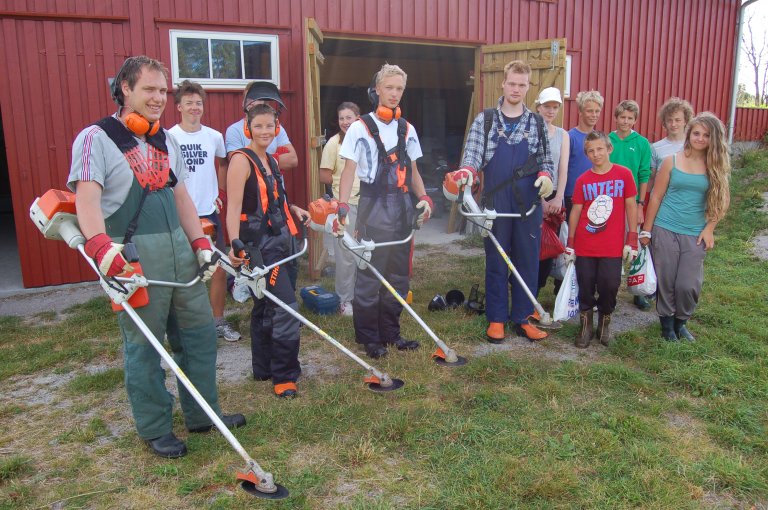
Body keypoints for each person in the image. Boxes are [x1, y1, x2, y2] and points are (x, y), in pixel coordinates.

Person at [67, 56, 244, 458]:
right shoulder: (96, 138)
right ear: (125, 89)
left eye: (163, 91)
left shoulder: (165, 139)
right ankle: (154, 427)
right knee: (145, 346)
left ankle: (203, 414)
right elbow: (87, 199)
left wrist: (199, 243)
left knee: (199, 335)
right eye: (149, 89)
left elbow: (180, 195)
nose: (158, 99)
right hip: (134, 256)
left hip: (180, 252)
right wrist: (101, 250)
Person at [450, 60, 554, 343]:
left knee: (527, 260)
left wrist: (547, 176)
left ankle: (522, 317)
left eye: (522, 85)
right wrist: (467, 173)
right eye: (512, 83)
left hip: (528, 204)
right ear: (503, 84)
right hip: (495, 203)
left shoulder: (536, 123)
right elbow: (471, 158)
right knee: (497, 259)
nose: (516, 89)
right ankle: (496, 318)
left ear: (528, 87)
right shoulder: (485, 121)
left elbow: (546, 159)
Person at [335, 64, 432, 359]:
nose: (394, 94)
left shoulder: (407, 129)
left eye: (399, 89)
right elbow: (349, 170)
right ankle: (369, 339)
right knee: (369, 276)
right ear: (377, 89)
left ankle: (391, 333)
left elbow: (413, 170)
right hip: (372, 207)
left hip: (402, 208)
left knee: (398, 276)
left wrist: (424, 196)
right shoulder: (359, 127)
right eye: (389, 88)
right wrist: (341, 205)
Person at [226, 103, 310, 397]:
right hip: (258, 249)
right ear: (248, 128)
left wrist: (295, 208)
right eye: (258, 125)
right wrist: (235, 245)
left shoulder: (271, 161)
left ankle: (264, 368)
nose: (265, 131)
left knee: (266, 305)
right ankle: (285, 375)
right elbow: (234, 208)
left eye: (270, 126)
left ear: (277, 129)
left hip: (283, 242)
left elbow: (276, 201)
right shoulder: (241, 161)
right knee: (285, 308)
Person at [640, 112, 730, 342]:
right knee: (667, 280)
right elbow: (657, 197)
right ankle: (667, 325)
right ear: (689, 134)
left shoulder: (715, 165)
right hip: (665, 227)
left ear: (714, 139)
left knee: (688, 285)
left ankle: (681, 322)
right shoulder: (672, 160)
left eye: (706, 135)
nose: (700, 138)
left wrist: (710, 228)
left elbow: (721, 200)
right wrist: (647, 231)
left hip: (695, 233)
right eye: (696, 133)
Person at [168, 80, 240, 342]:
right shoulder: (169, 137)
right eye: (189, 103)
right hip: (182, 214)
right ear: (178, 107)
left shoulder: (214, 136)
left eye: (198, 103)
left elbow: (221, 164)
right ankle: (186, 326)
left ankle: (217, 321)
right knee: (185, 271)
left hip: (209, 212)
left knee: (219, 268)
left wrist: (218, 193)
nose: (194, 107)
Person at [564, 131, 638, 348]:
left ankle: (604, 323)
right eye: (590, 151)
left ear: (609, 149)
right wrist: (570, 242)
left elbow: (631, 206)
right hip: (586, 245)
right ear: (586, 154)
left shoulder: (623, 175)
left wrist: (632, 238)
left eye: (599, 149)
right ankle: (585, 326)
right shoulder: (583, 180)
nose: (596, 154)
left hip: (612, 246)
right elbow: (576, 211)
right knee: (585, 284)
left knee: (609, 285)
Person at [608, 99, 653, 311]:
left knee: (633, 244)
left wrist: (641, 204)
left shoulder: (642, 143)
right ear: (616, 117)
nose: (625, 121)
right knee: (612, 245)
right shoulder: (608, 140)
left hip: (632, 202)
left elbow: (644, 174)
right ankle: (611, 286)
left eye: (630, 118)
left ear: (635, 120)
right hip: (610, 201)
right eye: (622, 117)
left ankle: (637, 288)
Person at [319, 102, 361, 316]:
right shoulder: (334, 144)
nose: (345, 122)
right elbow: (324, 175)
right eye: (342, 118)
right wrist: (339, 187)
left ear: (358, 118)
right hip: (346, 203)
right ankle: (345, 300)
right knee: (346, 254)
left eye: (349, 117)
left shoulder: (365, 140)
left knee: (366, 250)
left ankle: (365, 294)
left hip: (369, 203)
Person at [533, 87, 570, 296]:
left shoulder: (563, 135)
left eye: (555, 107)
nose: (551, 111)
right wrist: (541, 202)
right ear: (539, 107)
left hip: (555, 195)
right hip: (534, 194)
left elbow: (562, 168)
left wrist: (558, 198)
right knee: (531, 245)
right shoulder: (530, 132)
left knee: (549, 246)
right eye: (547, 106)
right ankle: (527, 290)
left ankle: (538, 290)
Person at [225, 81, 298, 170]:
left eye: (255, 98)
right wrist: (275, 160)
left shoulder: (276, 127)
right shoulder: (234, 130)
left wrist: (256, 160)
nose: (251, 102)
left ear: (265, 104)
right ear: (243, 102)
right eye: (247, 98)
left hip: (276, 183)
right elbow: (238, 164)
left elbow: (292, 160)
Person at [564, 90, 604, 219]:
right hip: (573, 196)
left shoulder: (600, 139)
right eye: (589, 111)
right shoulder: (570, 137)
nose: (594, 115)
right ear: (580, 112)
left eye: (597, 111)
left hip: (595, 194)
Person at [649, 97, 694, 200]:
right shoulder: (655, 148)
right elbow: (652, 179)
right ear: (664, 122)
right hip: (661, 200)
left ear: (685, 121)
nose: (673, 124)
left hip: (686, 200)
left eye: (678, 120)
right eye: (669, 120)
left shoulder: (693, 146)